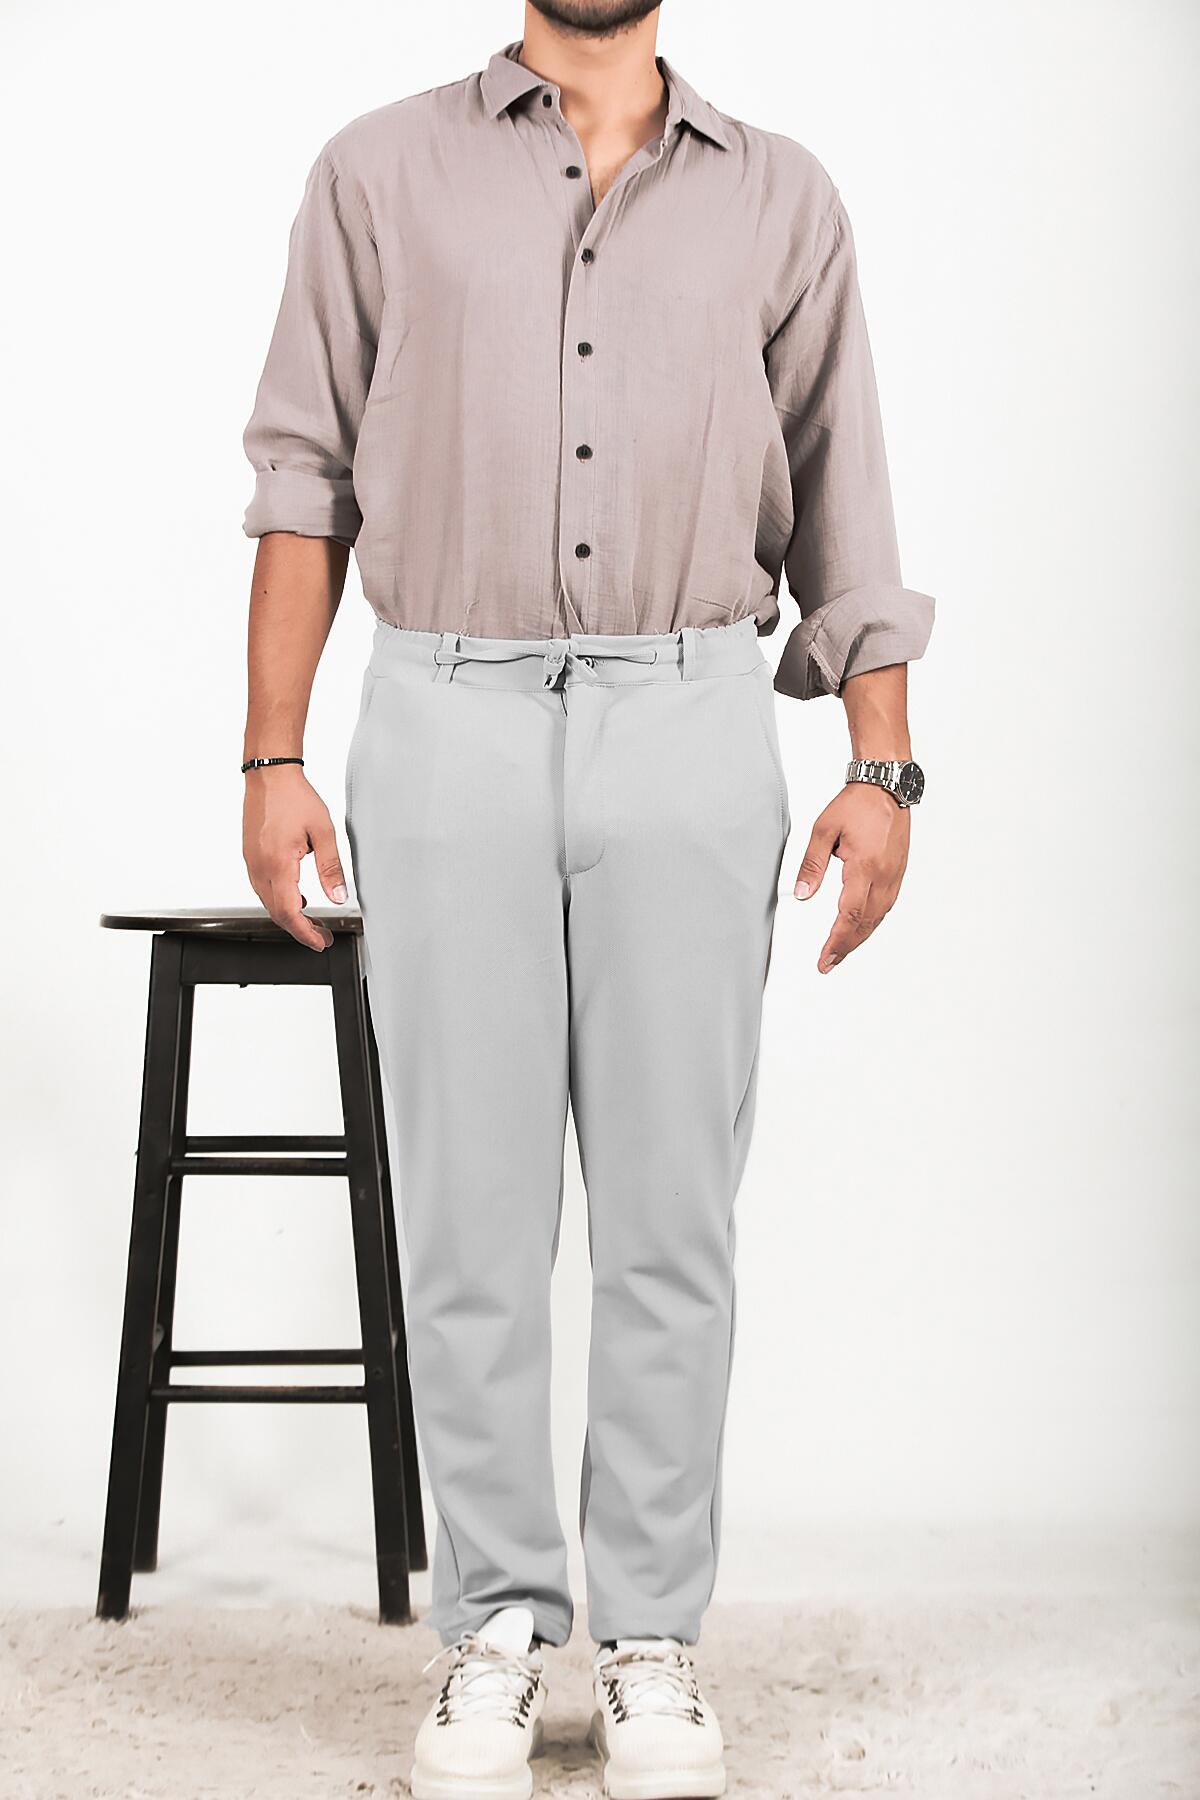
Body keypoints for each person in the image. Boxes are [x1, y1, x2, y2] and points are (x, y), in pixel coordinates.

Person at [240, 3, 933, 1794]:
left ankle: (648, 1638)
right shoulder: (376, 171)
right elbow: (302, 472)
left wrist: (881, 766)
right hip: (443, 711)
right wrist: (271, 755)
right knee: (468, 1220)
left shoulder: (783, 198)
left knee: (671, 1218)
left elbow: (845, 493)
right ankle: (491, 1628)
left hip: (689, 711)